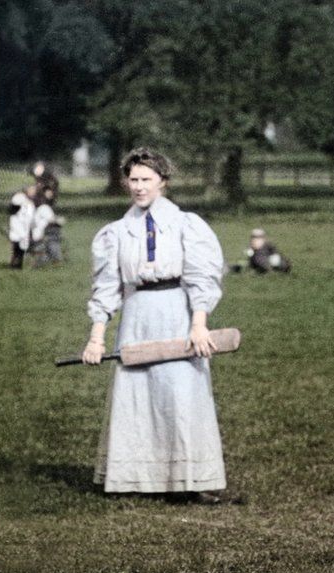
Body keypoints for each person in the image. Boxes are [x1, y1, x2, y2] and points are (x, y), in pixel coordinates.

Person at [80, 147, 236, 504]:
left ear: (163, 182)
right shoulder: (116, 233)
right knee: (137, 395)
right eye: (133, 179)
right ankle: (134, 478)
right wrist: (96, 338)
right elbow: (107, 288)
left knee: (180, 393)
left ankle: (188, 480)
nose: (139, 187)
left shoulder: (186, 225)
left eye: (146, 180)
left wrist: (199, 325)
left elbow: (201, 278)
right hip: (137, 315)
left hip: (176, 313)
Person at [8, 185, 36, 269]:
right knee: (17, 248)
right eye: (32, 190)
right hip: (18, 227)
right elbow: (12, 209)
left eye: (34, 190)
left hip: (25, 229)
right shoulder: (20, 198)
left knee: (22, 249)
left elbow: (31, 217)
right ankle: (15, 265)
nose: (33, 192)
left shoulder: (30, 203)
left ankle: (17, 264)